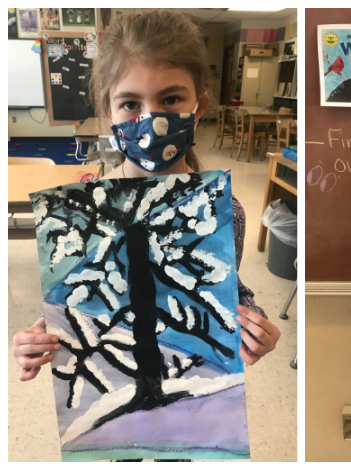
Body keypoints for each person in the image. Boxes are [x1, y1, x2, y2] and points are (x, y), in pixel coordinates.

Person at [10, 9, 282, 462]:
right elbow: (76, 300)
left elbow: (229, 288)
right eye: (131, 103)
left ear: (200, 107)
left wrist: (252, 321)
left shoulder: (221, 209)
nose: (151, 119)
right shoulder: (80, 212)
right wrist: (40, 338)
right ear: (109, 113)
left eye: (171, 99)